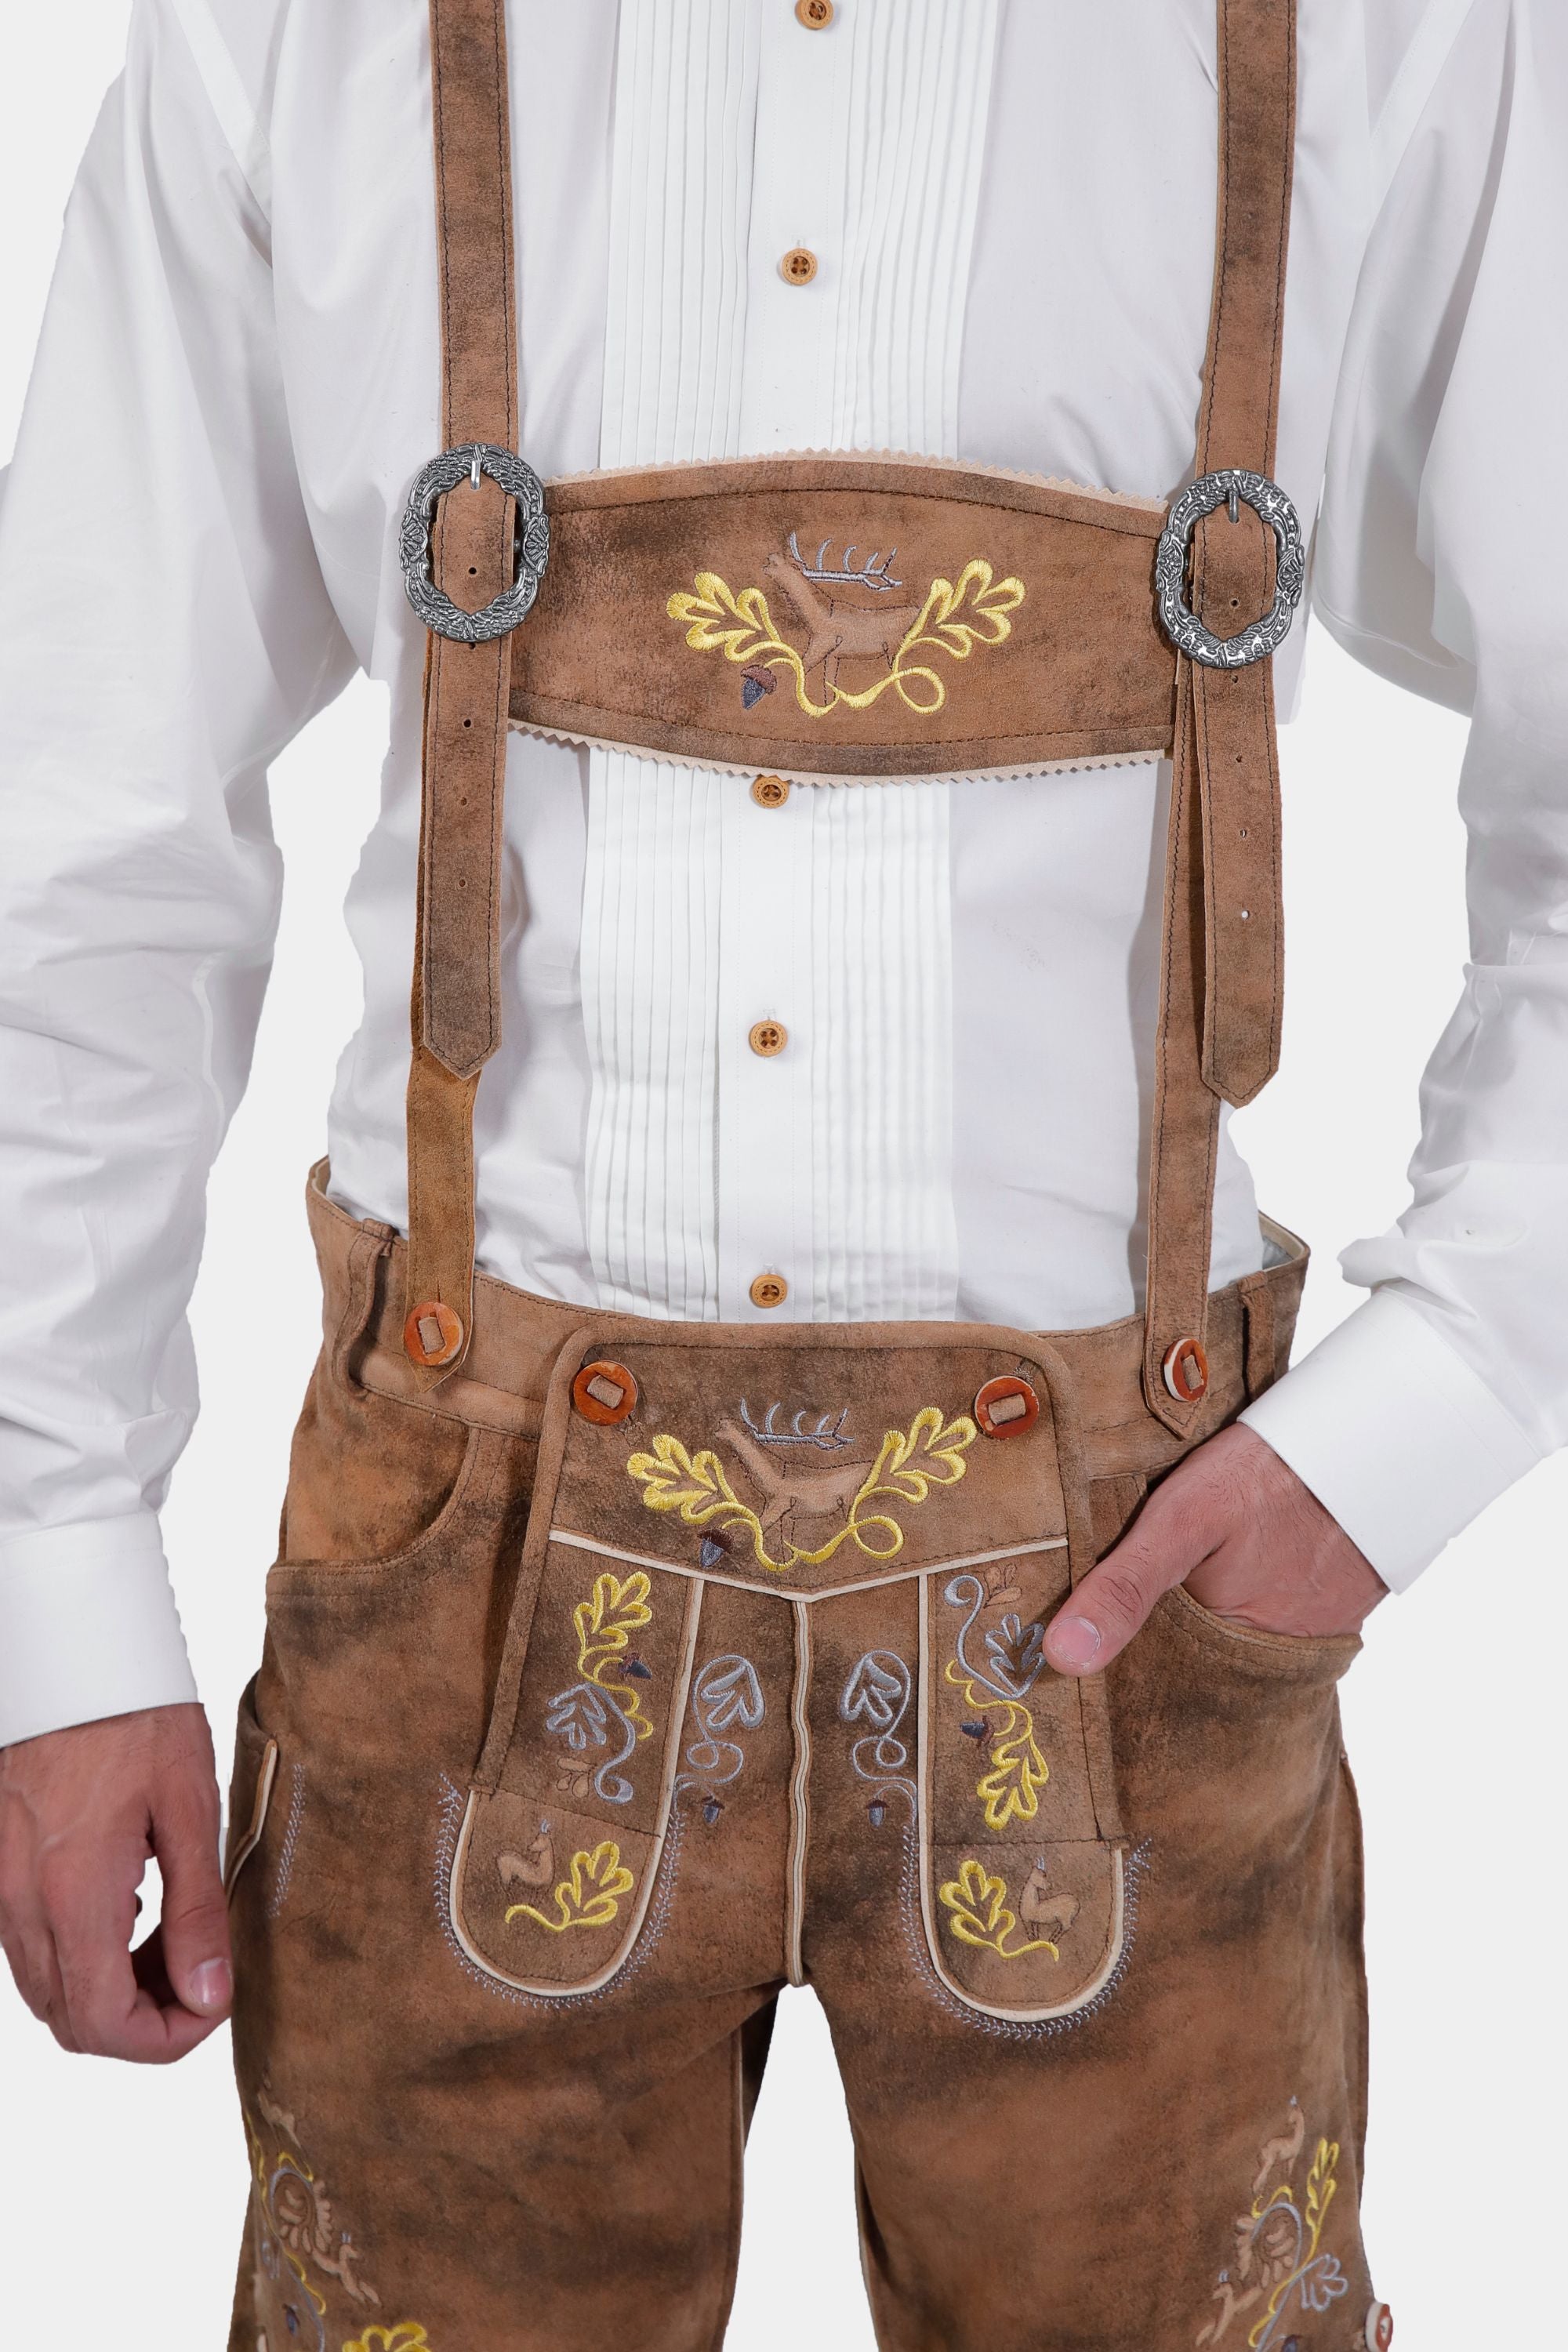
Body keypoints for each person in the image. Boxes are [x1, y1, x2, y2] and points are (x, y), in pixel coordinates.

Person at [0, 2, 1555, 2346]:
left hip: (1142, 1576)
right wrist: (51, 1563)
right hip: (454, 1560)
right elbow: (80, 813)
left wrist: (1437, 1400)